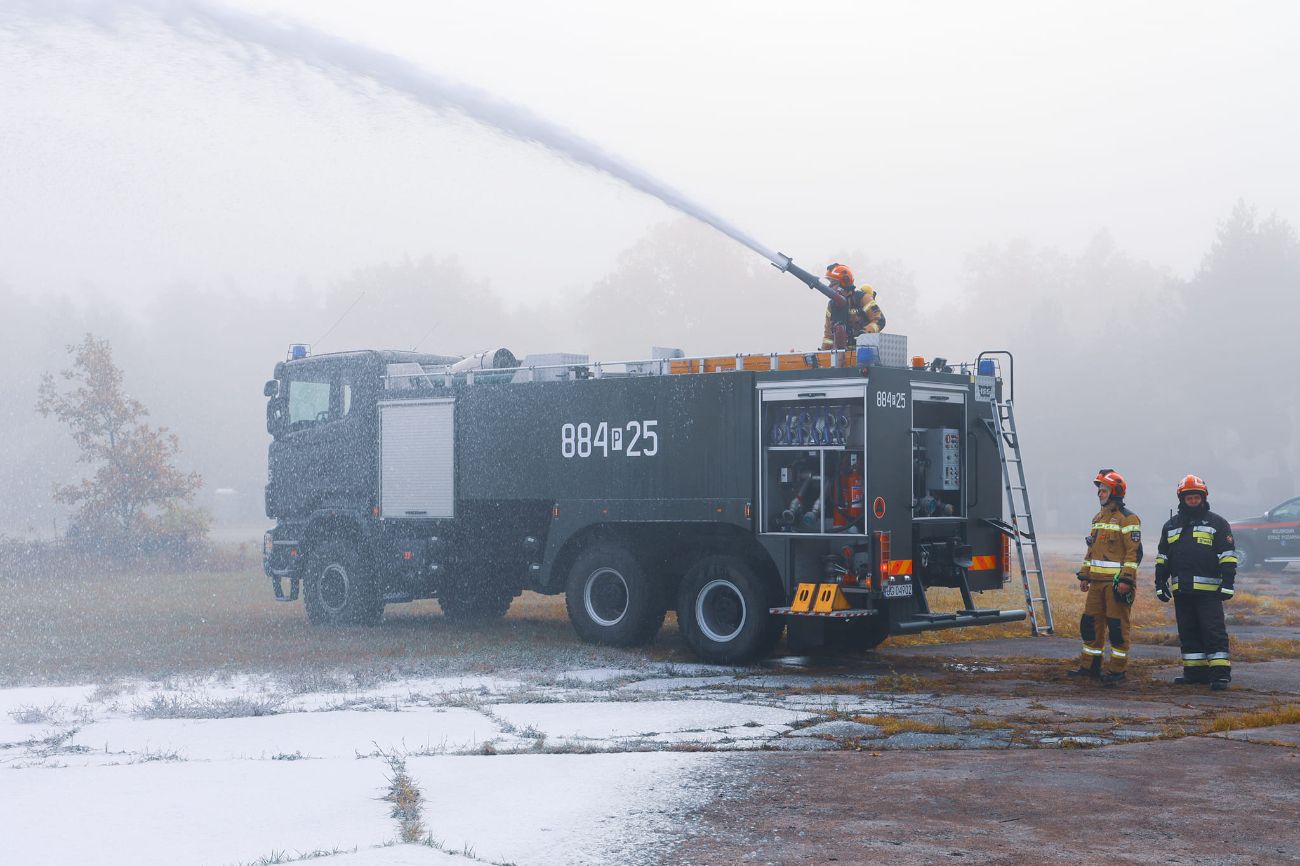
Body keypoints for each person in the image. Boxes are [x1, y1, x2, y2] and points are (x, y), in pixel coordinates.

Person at [1154, 475, 1237, 691]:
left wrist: (1228, 584)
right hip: (1182, 591)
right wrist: (1160, 583)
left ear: (1203, 497)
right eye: (1189, 497)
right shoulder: (1170, 526)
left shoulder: (1217, 523)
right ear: (1182, 499)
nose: (1192, 500)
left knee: (1213, 631)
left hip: (1209, 593)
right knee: (1188, 632)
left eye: (1196, 496)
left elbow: (1228, 557)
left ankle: (1220, 674)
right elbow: (1163, 558)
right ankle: (1194, 673)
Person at [1069, 469, 1141, 686]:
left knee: (1117, 627)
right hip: (1096, 584)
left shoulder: (1129, 519)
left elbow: (1133, 553)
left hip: (1116, 585)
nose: (1100, 493)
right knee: (1090, 624)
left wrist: (1126, 580)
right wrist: (1085, 575)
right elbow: (1092, 551)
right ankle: (1089, 666)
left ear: (1115, 492)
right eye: (1099, 490)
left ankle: (1117, 671)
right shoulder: (1098, 518)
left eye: (1104, 490)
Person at [819, 263, 886, 349]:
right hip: (841, 354)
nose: (829, 286)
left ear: (844, 282)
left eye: (833, 283)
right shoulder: (832, 305)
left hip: (865, 352)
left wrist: (864, 334)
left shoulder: (862, 298)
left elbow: (880, 320)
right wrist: (823, 355)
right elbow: (828, 337)